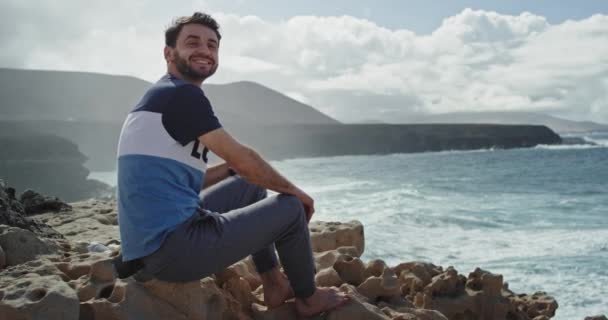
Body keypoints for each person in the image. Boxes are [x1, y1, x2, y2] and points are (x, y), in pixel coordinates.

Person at [113, 12, 349, 316]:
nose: (205, 50)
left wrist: (226, 170)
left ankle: (274, 284)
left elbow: (179, 183)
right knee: (290, 208)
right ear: (168, 53)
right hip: (173, 251)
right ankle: (309, 298)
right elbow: (243, 157)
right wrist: (296, 193)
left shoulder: (162, 94)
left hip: (148, 249)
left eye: (212, 46)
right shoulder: (182, 95)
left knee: (249, 185)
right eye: (193, 42)